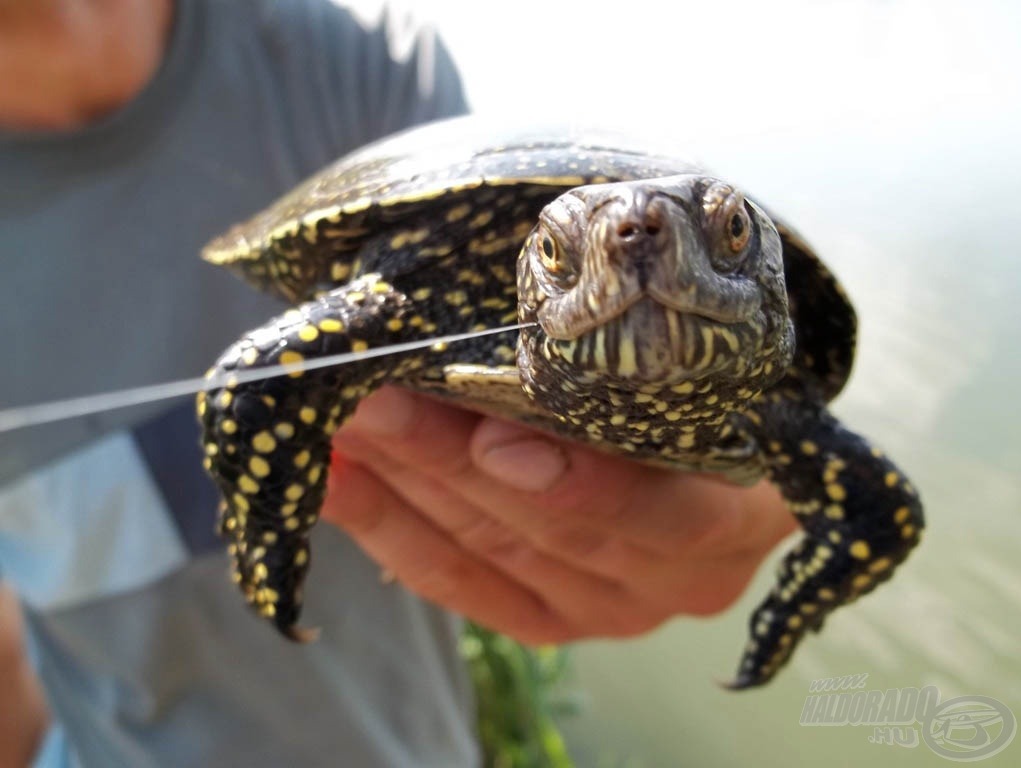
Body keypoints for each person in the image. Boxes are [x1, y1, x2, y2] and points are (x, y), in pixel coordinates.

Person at [0, 1, 794, 766]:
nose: (637, 246)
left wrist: (775, 481)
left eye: (722, 233)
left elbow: (805, 449)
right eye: (560, 253)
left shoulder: (367, 65)